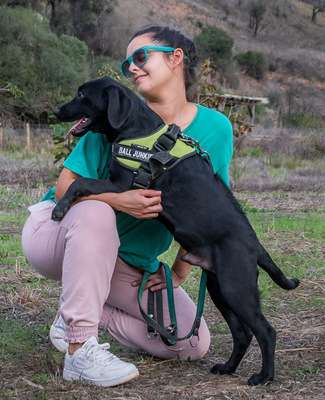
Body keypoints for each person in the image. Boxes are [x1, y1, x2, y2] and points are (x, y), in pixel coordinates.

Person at [22, 25, 233, 387]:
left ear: (175, 57)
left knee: (191, 341)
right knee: (96, 210)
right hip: (58, 233)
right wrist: (122, 200)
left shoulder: (215, 128)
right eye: (126, 64)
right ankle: (79, 350)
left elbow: (212, 209)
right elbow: (64, 190)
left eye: (139, 57)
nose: (131, 68)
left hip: (126, 261)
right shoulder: (115, 112)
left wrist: (180, 272)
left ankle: (81, 313)